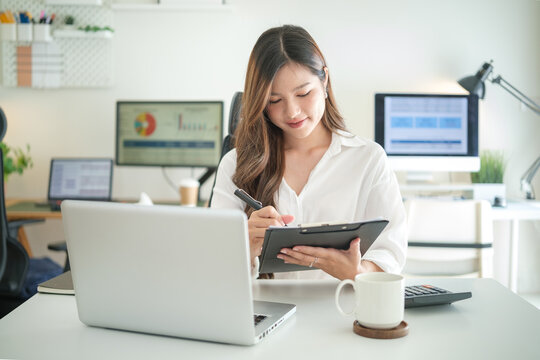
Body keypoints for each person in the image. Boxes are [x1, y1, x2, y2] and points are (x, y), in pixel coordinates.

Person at [211, 25, 407, 280]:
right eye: (274, 100)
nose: (292, 112)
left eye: (303, 93)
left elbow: (391, 253)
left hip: (342, 310)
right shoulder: (236, 164)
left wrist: (358, 271)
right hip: (262, 314)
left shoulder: (367, 158)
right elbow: (214, 268)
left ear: (324, 80)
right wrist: (244, 247)